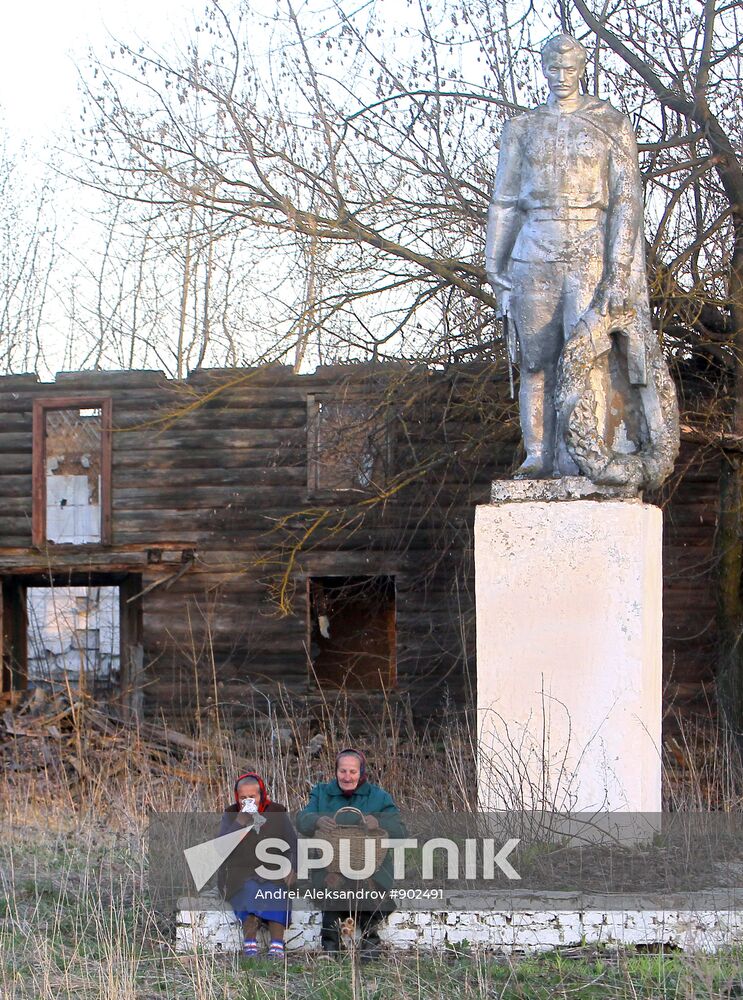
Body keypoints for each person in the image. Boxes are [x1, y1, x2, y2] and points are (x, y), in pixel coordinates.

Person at [485, 32, 676, 485]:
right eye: (554, 68)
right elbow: (505, 200)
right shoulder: (522, 128)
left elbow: (627, 201)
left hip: (590, 243)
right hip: (535, 245)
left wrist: (618, 270)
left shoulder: (608, 122)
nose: (562, 77)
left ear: (582, 68)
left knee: (588, 355)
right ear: (544, 69)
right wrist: (494, 261)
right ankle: (538, 456)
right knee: (536, 358)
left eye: (570, 68)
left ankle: (583, 459)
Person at [296, 748, 405, 959]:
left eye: (352, 772)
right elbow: (302, 819)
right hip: (330, 864)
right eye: (342, 771)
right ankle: (331, 948)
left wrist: (379, 822)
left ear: (361, 772)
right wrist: (316, 820)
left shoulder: (379, 797)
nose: (347, 777)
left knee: (361, 882)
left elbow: (401, 831)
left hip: (371, 866)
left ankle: (368, 941)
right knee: (334, 882)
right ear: (336, 771)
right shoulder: (322, 793)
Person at [217, 772, 296, 960]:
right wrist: (240, 822)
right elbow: (221, 849)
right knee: (249, 889)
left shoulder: (276, 811)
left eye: (252, 797)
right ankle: (249, 942)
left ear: (261, 795)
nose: (247, 801)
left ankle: (277, 944)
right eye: (243, 798)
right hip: (240, 871)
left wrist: (294, 867)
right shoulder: (231, 814)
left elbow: (293, 844)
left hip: (273, 869)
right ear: (237, 797)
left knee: (275, 891)